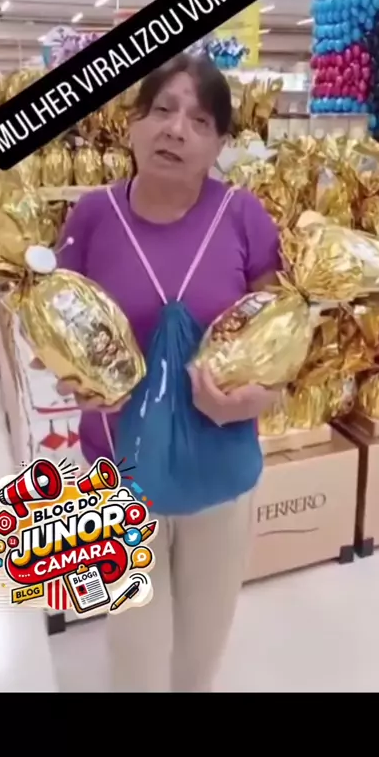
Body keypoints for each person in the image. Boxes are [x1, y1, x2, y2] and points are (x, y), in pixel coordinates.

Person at [51, 53, 282, 692]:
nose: (176, 129)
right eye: (162, 110)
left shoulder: (244, 217)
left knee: (200, 650)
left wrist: (258, 397)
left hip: (220, 464)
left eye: (200, 120)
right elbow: (57, 326)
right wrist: (69, 374)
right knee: (133, 650)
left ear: (220, 144)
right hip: (114, 470)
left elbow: (282, 340)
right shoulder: (92, 216)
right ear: (132, 124)